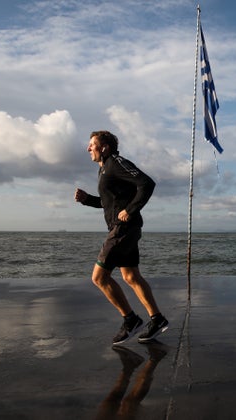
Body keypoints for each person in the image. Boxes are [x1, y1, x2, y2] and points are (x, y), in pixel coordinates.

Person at [75, 130, 169, 345]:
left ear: (105, 147)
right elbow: (109, 202)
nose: (88, 148)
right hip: (124, 228)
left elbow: (147, 183)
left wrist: (131, 209)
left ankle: (131, 320)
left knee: (99, 277)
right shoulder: (104, 169)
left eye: (92, 144)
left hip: (123, 229)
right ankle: (157, 319)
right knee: (131, 277)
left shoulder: (116, 162)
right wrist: (87, 199)